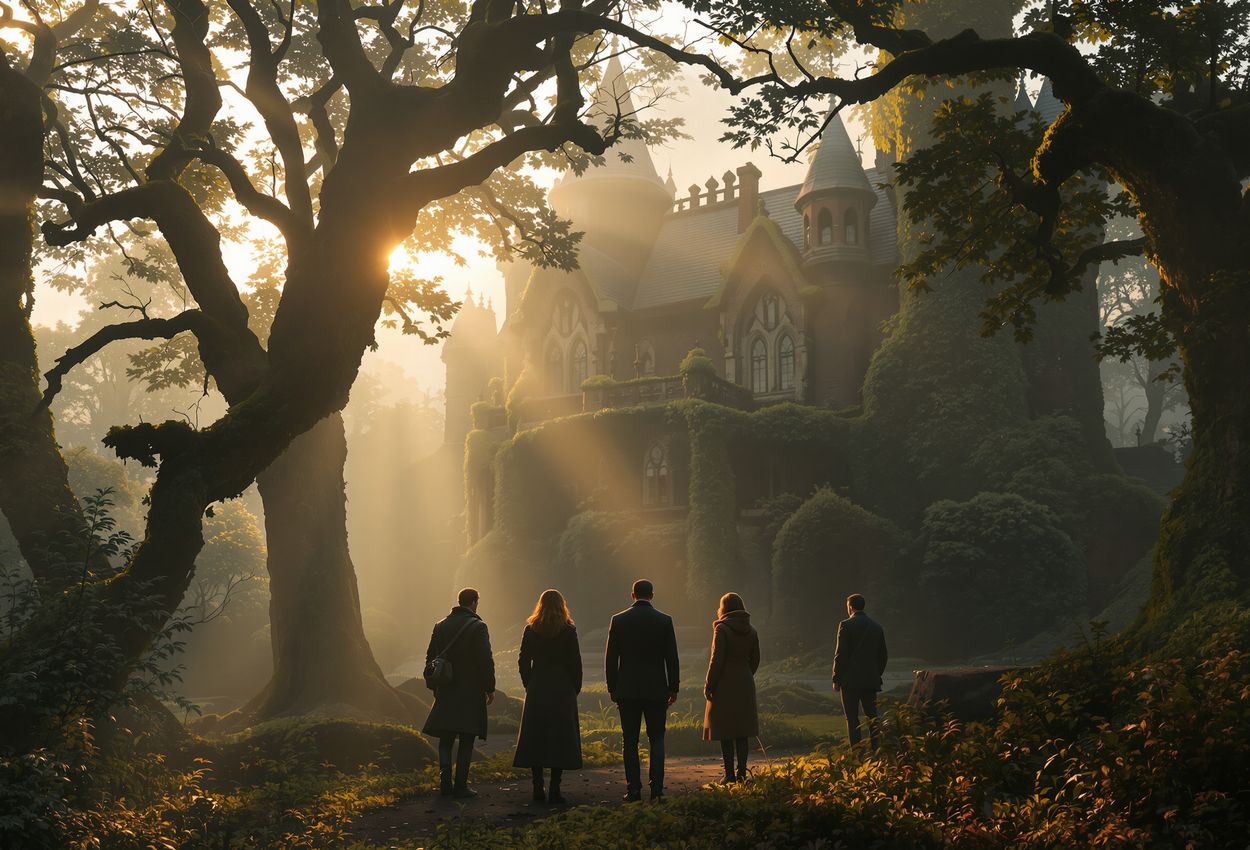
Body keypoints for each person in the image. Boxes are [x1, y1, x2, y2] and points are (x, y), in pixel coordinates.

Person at [605, 579, 679, 802]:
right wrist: (673, 687)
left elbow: (611, 658)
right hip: (656, 688)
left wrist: (612, 687)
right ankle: (656, 789)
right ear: (652, 595)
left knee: (630, 740)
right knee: (657, 738)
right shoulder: (664, 621)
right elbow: (672, 658)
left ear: (632, 595)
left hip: (627, 688)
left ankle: (634, 789)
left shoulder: (618, 620)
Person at [422, 587, 496, 798]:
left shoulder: (440, 625)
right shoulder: (478, 627)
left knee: (445, 738)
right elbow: (485, 660)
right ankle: (461, 785)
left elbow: (431, 658)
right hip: (470, 690)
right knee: (466, 737)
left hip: (446, 688)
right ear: (473, 602)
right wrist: (489, 687)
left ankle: (445, 781)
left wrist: (434, 686)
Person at [513, 589, 583, 804]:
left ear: (540, 605)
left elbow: (523, 660)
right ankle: (555, 788)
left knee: (536, 735)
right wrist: (575, 687)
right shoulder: (568, 631)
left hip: (538, 685)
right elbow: (575, 662)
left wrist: (528, 682)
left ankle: (537, 786)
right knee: (559, 736)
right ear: (562, 605)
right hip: (562, 686)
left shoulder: (531, 629)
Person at [702, 592, 760, 784]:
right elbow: (756, 659)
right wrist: (745, 673)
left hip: (724, 682)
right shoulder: (752, 630)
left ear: (724, 608)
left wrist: (709, 684)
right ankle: (742, 773)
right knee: (742, 731)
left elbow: (716, 659)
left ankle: (729, 774)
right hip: (745, 681)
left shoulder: (722, 629)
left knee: (725, 729)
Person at [831, 593, 888, 749]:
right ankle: (877, 750)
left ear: (850, 607)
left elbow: (840, 655)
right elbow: (883, 656)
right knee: (872, 717)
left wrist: (836, 678)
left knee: (852, 718)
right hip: (870, 680)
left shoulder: (845, 625)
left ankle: (857, 752)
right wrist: (876, 673)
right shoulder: (876, 627)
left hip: (849, 681)